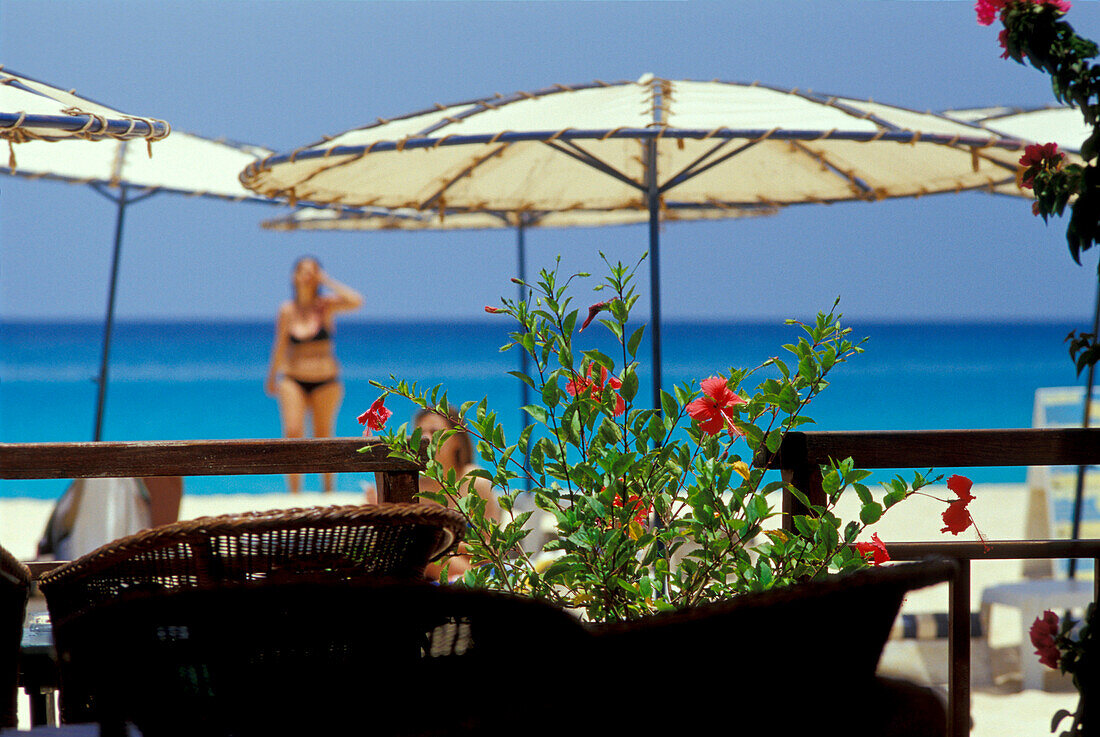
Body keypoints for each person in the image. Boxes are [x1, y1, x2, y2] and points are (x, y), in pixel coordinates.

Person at [265, 256, 363, 494]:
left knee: (323, 436)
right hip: (293, 378)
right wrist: (271, 377)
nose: (308, 275)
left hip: (326, 381)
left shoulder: (325, 306)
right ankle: (294, 494)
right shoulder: (287, 310)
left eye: (313, 271)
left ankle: (328, 492)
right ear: (294, 276)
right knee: (293, 434)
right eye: (303, 270)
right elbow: (280, 346)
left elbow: (356, 301)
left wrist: (328, 281)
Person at [413, 407, 501, 580]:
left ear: (457, 440)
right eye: (421, 433)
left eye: (435, 432)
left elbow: (493, 547)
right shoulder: (414, 487)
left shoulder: (476, 482)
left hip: (479, 572)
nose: (426, 439)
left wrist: (447, 546)